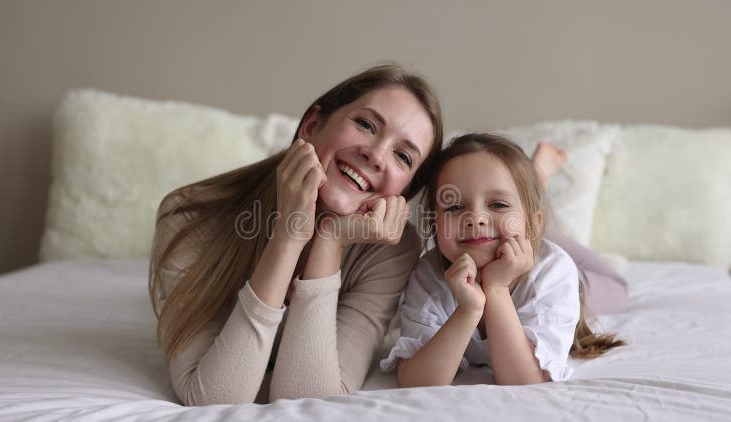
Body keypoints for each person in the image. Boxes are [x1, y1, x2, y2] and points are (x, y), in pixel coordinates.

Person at [148, 64, 444, 405]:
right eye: (366, 124)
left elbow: (310, 401)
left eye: (403, 156)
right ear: (312, 124)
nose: (376, 155)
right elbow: (214, 400)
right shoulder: (191, 218)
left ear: (403, 193)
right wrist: (290, 234)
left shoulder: (392, 251)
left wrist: (330, 239)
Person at [380, 133, 624, 387]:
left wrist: (495, 289)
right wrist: (468, 309)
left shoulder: (554, 272)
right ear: (434, 224)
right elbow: (416, 382)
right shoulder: (428, 275)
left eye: (497, 203)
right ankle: (522, 198)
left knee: (617, 289)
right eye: (454, 207)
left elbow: (525, 381)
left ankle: (535, 187)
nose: (474, 217)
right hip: (509, 230)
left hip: (539, 253)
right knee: (507, 223)